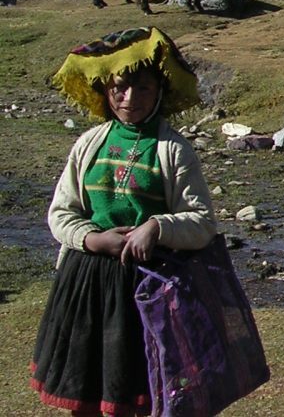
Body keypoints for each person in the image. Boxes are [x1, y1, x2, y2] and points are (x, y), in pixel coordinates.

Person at [31, 27, 217, 416]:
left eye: (142, 88)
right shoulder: (89, 143)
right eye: (119, 88)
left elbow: (201, 222)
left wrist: (157, 228)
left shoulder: (173, 150)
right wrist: (91, 239)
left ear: (160, 92)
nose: (129, 97)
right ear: (106, 91)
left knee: (136, 396)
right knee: (85, 391)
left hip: (146, 289)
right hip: (86, 284)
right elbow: (61, 213)